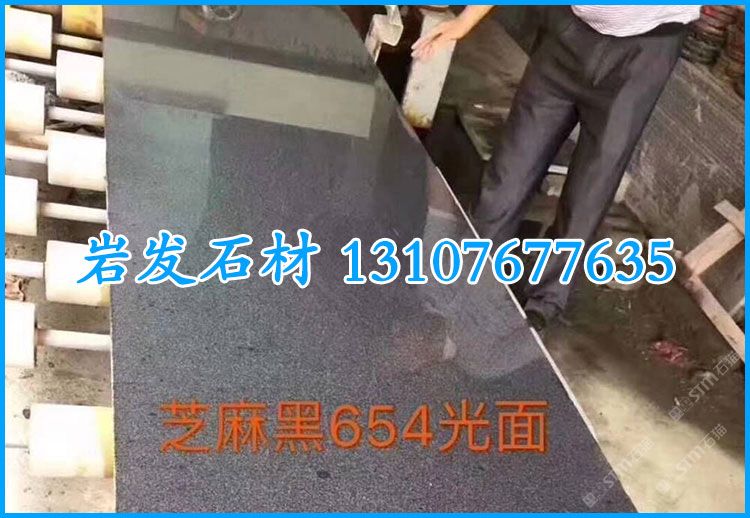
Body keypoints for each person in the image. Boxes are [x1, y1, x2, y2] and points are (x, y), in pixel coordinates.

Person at [412, 5, 700, 330]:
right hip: (568, 32)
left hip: (644, 52)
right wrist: (466, 20)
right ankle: (471, 276)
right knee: (507, 175)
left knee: (588, 195)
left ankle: (545, 301)